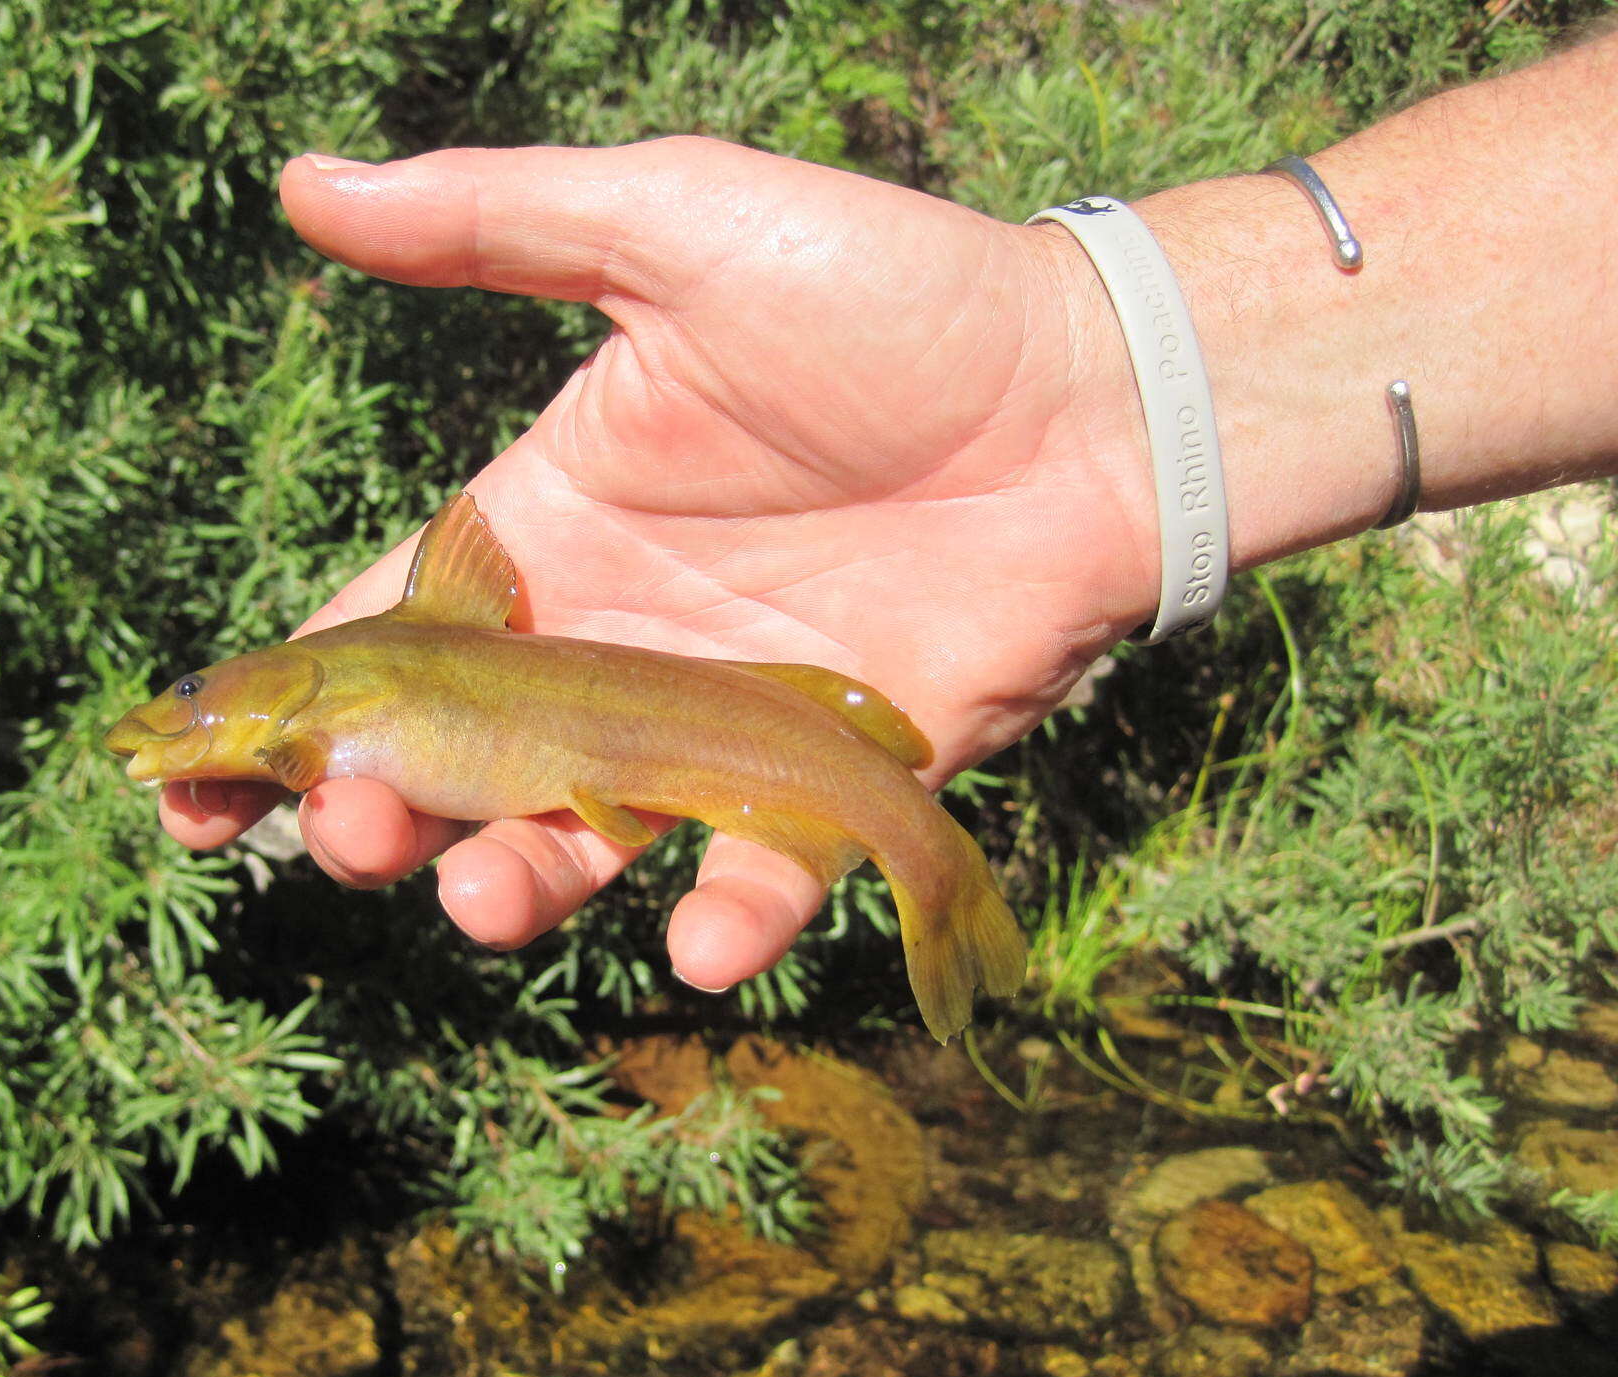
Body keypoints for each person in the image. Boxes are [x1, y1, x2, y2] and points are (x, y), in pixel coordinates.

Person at [157, 27, 1618, 996]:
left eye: (188, 691)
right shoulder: (335, 694)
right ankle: (950, 911)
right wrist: (1115, 382)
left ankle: (943, 896)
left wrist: (1089, 373)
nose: (182, 712)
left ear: (262, 687)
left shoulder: (352, 672)